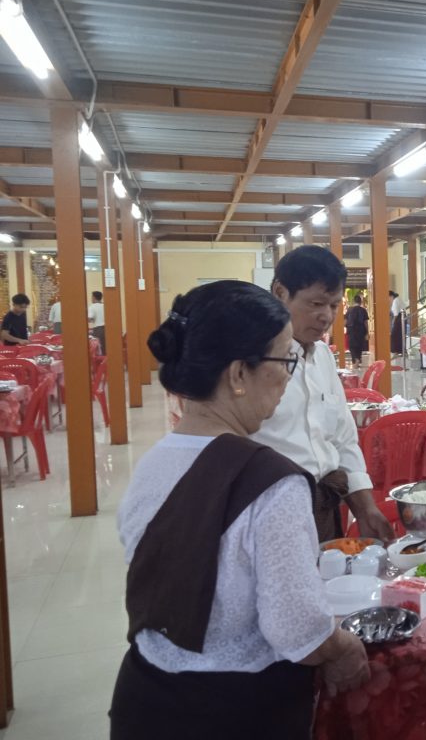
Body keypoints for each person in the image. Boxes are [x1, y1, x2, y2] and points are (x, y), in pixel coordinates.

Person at [110, 280, 369, 738]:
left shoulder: (151, 464)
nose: (288, 376)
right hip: (234, 710)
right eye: (284, 360)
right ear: (237, 374)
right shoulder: (272, 483)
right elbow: (297, 631)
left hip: (145, 697)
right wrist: (343, 648)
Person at [252, 246, 394, 541]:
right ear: (280, 292)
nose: (326, 316)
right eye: (316, 304)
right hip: (268, 515)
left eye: (334, 305)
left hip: (324, 510)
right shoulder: (251, 361)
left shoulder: (323, 357)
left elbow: (342, 437)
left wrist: (365, 508)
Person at [344, 295, 369, 368]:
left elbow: (345, 322)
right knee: (359, 345)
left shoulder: (349, 310)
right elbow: (365, 322)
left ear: (353, 301)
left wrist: (345, 326)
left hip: (351, 330)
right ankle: (358, 358)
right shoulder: (363, 310)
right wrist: (367, 332)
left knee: (352, 346)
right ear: (360, 302)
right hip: (361, 330)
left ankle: (355, 360)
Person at [89, 291, 106, 355]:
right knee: (105, 347)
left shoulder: (92, 306)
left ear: (94, 297)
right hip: (106, 328)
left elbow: (90, 318)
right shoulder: (105, 305)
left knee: (98, 349)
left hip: (98, 329)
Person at [388, 290, 404, 356]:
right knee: (398, 335)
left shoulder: (395, 301)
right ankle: (399, 351)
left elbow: (395, 315)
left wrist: (393, 324)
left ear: (391, 296)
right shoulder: (397, 299)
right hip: (401, 318)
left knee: (394, 335)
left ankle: (396, 351)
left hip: (399, 319)